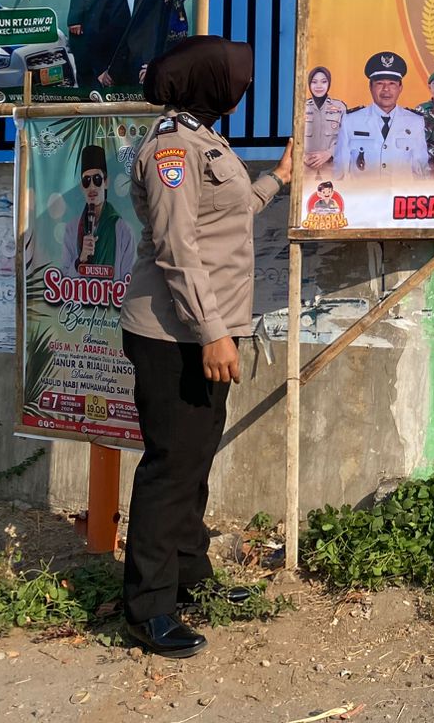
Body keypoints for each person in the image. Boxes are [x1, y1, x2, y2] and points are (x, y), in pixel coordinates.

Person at [119, 36, 292, 658]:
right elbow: (176, 247)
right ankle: (147, 608)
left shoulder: (203, 140)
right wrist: (213, 333)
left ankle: (189, 579)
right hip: (175, 334)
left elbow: (228, 212)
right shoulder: (172, 149)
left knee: (192, 462)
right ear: (204, 83)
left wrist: (277, 178)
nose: (240, 90)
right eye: (233, 81)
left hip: (206, 327)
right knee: (170, 467)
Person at [333, 52, 429, 181]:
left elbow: (421, 172)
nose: (386, 89)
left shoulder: (415, 122)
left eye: (392, 84)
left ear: (400, 87)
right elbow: (339, 172)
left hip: (400, 199)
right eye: (379, 83)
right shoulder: (351, 121)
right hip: (363, 198)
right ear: (370, 87)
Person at [85, 0, 166, 86]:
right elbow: (93, 34)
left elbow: (164, 32)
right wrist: (100, 71)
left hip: (147, 76)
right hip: (114, 78)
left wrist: (155, 65)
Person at [62, 143, 135, 281]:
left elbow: (128, 279)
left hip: (111, 301)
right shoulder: (71, 229)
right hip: (79, 301)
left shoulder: (122, 230)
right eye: (86, 181)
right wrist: (80, 260)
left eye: (97, 179)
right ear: (81, 187)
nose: (92, 187)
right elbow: (64, 279)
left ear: (106, 182)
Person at [302, 66, 346, 171]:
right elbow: (294, 138)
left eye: (323, 82)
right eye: (314, 82)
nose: (319, 86)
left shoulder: (340, 107)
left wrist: (329, 153)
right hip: (305, 169)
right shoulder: (301, 107)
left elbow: (346, 138)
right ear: (309, 84)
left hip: (332, 168)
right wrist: (301, 156)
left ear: (328, 83)